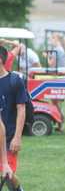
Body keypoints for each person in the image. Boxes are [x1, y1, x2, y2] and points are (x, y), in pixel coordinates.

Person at [0, 46, 28, 191]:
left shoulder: (14, 80)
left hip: (9, 137)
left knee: (8, 175)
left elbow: (21, 109)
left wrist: (17, 137)